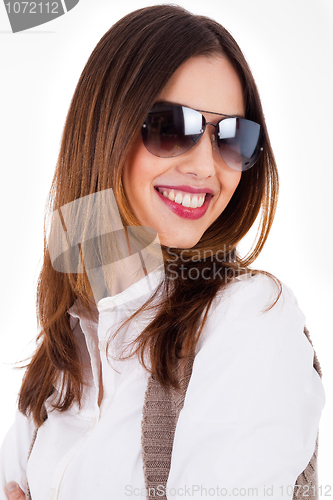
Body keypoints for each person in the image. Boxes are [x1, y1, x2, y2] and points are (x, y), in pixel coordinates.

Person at [0, 5, 325, 500]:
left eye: (233, 137)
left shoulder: (250, 318)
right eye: (172, 127)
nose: (206, 167)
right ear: (104, 129)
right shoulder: (66, 347)